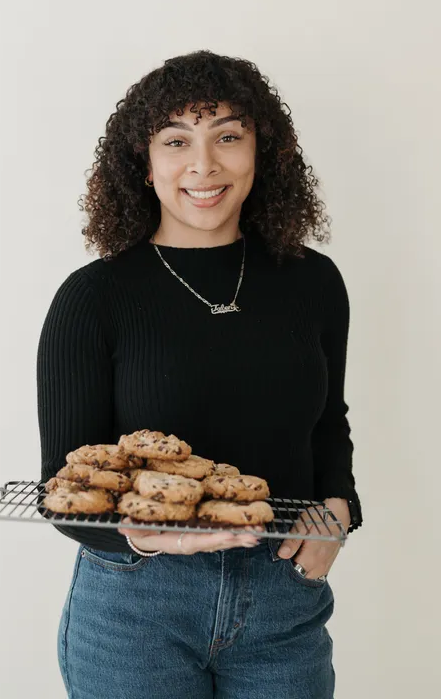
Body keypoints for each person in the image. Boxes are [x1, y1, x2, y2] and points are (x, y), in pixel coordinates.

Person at [37, 50, 363, 699]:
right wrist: (141, 534)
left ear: (262, 151)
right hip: (135, 609)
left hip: (283, 595)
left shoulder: (313, 281)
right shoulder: (94, 297)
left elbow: (328, 424)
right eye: (176, 140)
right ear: (145, 162)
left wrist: (339, 510)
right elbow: (64, 482)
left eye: (228, 137)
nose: (204, 164)